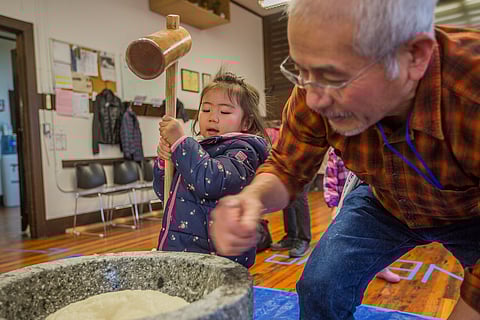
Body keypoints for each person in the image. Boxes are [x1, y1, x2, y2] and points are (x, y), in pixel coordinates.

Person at [210, 1, 480, 319]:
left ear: (415, 56)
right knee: (320, 286)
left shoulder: (470, 88)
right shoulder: (313, 86)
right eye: (300, 71)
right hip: (386, 201)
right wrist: (252, 198)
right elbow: (287, 166)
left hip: (470, 214)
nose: (313, 99)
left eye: (334, 77)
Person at [154, 70, 269, 269]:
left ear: (247, 122)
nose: (213, 118)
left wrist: (182, 143)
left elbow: (211, 181)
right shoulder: (195, 149)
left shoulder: (244, 152)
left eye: (224, 112)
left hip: (217, 258)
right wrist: (165, 162)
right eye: (206, 109)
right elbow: (164, 192)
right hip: (181, 248)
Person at [324, 147, 401, 283]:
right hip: (343, 203)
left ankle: (382, 268)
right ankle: (343, 271)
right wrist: (333, 203)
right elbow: (330, 178)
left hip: (370, 201)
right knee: (342, 240)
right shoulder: (335, 152)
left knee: (377, 238)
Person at [266, 126, 312, 258]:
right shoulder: (280, 129)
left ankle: (304, 239)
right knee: (286, 197)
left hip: (306, 162)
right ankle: (291, 236)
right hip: (289, 163)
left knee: (299, 197)